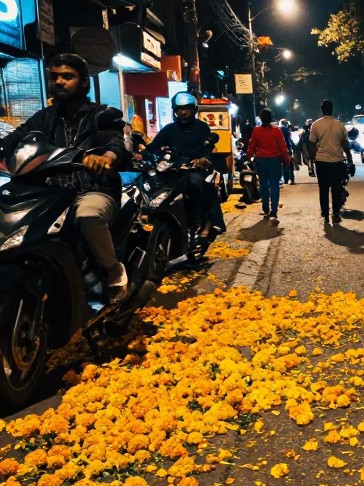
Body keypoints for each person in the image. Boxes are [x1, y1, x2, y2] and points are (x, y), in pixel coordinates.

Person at [1, 53, 129, 303]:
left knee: (88, 216)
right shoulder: (43, 117)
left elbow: (115, 141)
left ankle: (113, 270)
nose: (59, 82)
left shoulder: (102, 115)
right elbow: (15, 139)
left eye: (67, 77)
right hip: (49, 193)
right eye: (54, 77)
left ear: (84, 82)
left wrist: (106, 157)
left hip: (91, 189)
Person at [148, 92, 224, 240]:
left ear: (194, 110)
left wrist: (202, 159)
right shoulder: (169, 129)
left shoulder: (202, 128)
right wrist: (142, 154)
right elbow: (153, 147)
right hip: (172, 170)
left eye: (187, 108)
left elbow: (207, 149)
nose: (183, 112)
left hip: (194, 169)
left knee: (199, 184)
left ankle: (208, 221)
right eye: (179, 109)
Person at [309, 100, 352, 224]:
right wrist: (349, 158)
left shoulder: (315, 125)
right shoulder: (340, 125)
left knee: (323, 189)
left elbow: (312, 144)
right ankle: (336, 214)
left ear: (321, 110)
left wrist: (312, 161)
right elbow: (345, 144)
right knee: (336, 188)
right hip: (338, 162)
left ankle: (325, 215)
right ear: (332, 110)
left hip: (321, 162)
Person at [248, 109, 292, 222]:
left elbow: (251, 146)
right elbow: (283, 147)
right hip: (274, 161)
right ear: (271, 118)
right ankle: (273, 211)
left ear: (261, 119)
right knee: (274, 185)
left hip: (261, 161)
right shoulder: (277, 131)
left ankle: (265, 209)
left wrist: (248, 157)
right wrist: (286, 160)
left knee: (263, 185)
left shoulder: (256, 131)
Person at [279, 120, 295, 184]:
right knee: (290, 164)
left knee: (284, 165)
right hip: (288, 148)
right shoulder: (286, 129)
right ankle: (292, 179)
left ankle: (286, 180)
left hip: (282, 149)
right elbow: (288, 140)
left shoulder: (279, 129)